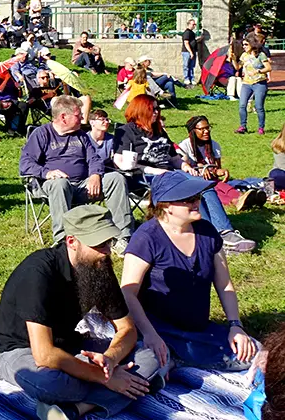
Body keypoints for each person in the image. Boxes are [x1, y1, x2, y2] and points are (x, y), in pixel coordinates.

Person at [0, 205, 163, 420]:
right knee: (51, 385)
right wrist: (104, 377)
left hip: (75, 344)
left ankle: (76, 409)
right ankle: (133, 387)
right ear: (72, 242)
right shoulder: (37, 273)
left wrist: (109, 360)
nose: (108, 251)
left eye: (108, 242)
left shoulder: (99, 264)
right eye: (99, 244)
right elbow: (44, 354)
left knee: (151, 357)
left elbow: (127, 328)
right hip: (23, 349)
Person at [120, 172, 259, 374]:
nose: (196, 202)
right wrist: (149, 334)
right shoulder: (146, 238)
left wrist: (235, 326)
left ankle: (181, 362)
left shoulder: (207, 232)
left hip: (199, 330)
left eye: (198, 197)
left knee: (256, 354)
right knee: (148, 368)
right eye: (188, 199)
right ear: (166, 205)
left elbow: (224, 284)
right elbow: (128, 292)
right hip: (158, 329)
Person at [110, 94, 256, 253]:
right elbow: (121, 162)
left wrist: (185, 166)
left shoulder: (159, 131)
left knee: (202, 183)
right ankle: (208, 236)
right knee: (191, 187)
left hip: (170, 174)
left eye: (158, 108)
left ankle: (224, 232)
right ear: (140, 110)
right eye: (153, 109)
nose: (157, 112)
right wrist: (157, 171)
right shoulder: (126, 131)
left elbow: (173, 157)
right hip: (144, 177)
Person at [20, 95, 133, 249]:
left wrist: (95, 175)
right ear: (63, 117)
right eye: (78, 115)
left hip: (83, 185)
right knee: (60, 183)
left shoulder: (81, 135)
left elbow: (94, 159)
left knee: (115, 178)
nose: (82, 117)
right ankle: (63, 240)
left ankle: (122, 237)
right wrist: (47, 173)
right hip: (52, 186)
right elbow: (25, 163)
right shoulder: (41, 134)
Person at [178, 115, 267, 211]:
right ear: (193, 131)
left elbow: (216, 168)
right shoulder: (184, 146)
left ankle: (244, 199)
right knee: (214, 187)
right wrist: (200, 170)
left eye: (208, 128)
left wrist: (219, 171)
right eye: (202, 129)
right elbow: (182, 169)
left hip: (213, 181)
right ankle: (238, 199)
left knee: (218, 185)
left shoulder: (214, 145)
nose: (206, 131)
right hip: (193, 182)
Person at [235, 33, 271, 135]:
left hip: (259, 83)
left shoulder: (261, 55)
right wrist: (233, 59)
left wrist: (258, 71)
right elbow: (238, 67)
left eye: (246, 44)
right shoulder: (244, 55)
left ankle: (261, 128)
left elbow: (268, 68)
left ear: (252, 44)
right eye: (243, 45)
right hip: (246, 83)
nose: (244, 47)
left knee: (259, 106)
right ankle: (243, 126)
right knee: (242, 105)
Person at [181, 18, 198, 87]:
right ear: (189, 24)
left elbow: (192, 41)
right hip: (187, 52)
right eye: (193, 24)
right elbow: (186, 43)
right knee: (186, 65)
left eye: (195, 24)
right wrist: (190, 52)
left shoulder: (192, 33)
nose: (194, 26)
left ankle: (192, 78)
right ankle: (186, 78)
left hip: (192, 51)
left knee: (191, 66)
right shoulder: (187, 32)